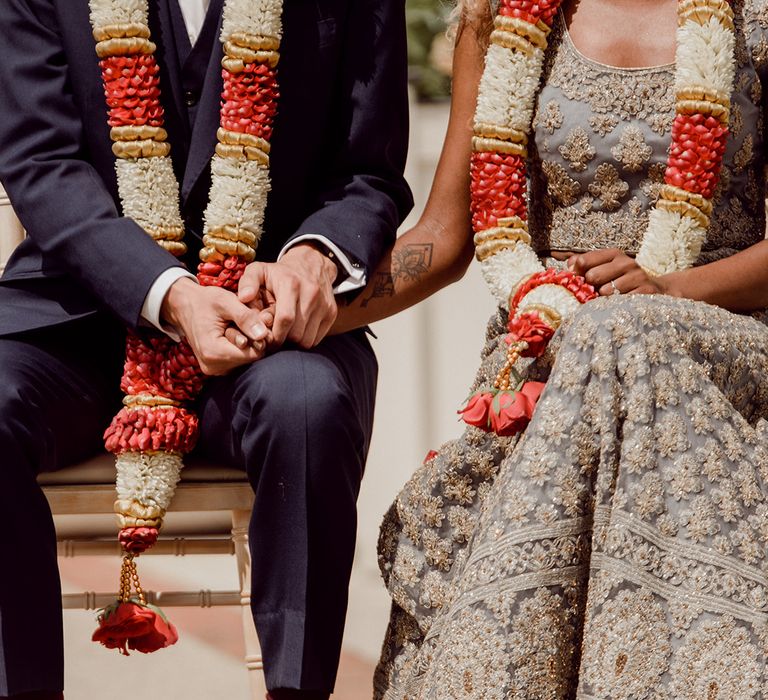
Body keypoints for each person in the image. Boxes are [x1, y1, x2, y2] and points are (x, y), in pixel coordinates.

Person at [330, 0, 768, 697]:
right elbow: (444, 237)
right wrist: (309, 314)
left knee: (618, 329)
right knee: (599, 334)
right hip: (547, 359)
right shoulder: (497, 17)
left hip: (714, 343)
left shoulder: (756, 18)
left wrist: (670, 292)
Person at [0, 0, 412, 698]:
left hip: (266, 326)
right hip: (78, 319)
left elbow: (368, 172)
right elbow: (40, 162)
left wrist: (313, 256)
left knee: (308, 405)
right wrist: (170, 295)